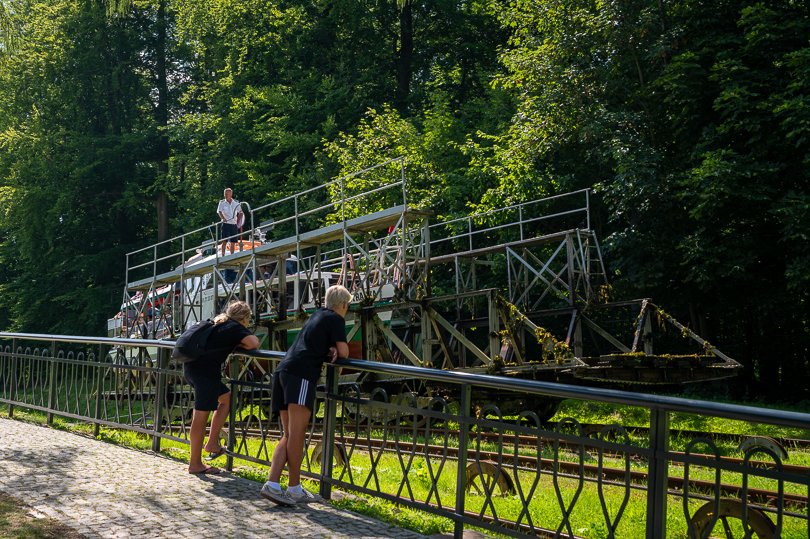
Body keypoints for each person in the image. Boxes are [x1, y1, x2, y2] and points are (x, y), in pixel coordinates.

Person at [260, 285, 351, 505]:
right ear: (343, 305)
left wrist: (329, 348)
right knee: (297, 434)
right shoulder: (335, 319)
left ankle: (272, 484)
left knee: (289, 434)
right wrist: (337, 350)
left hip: (282, 372)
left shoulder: (318, 315)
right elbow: (346, 353)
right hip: (301, 375)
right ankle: (294, 488)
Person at [185, 301, 259, 474]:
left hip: (192, 368)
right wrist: (239, 344)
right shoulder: (234, 327)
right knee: (200, 416)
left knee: (225, 397)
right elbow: (254, 343)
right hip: (205, 374)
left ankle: (211, 443)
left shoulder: (219, 322)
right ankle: (195, 463)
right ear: (245, 318)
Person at [217, 187, 243, 256]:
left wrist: (238, 221)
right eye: (225, 194)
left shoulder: (236, 202)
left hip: (233, 224)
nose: (225, 195)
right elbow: (219, 212)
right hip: (226, 224)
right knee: (224, 241)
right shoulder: (222, 202)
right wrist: (223, 218)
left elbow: (241, 212)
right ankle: (223, 255)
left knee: (233, 242)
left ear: (231, 194)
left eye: (227, 194)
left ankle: (232, 255)